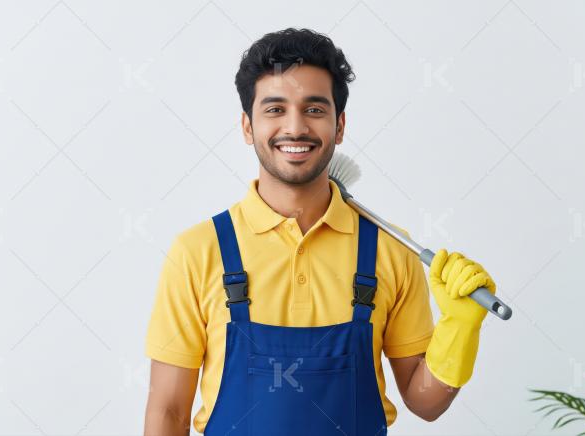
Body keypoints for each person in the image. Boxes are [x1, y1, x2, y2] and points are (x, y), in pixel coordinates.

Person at [143, 27, 497, 436]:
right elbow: (168, 412)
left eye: (314, 109)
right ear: (246, 126)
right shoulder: (198, 251)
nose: (295, 128)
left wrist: (460, 326)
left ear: (339, 125)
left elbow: (425, 403)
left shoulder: (390, 249)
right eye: (275, 109)